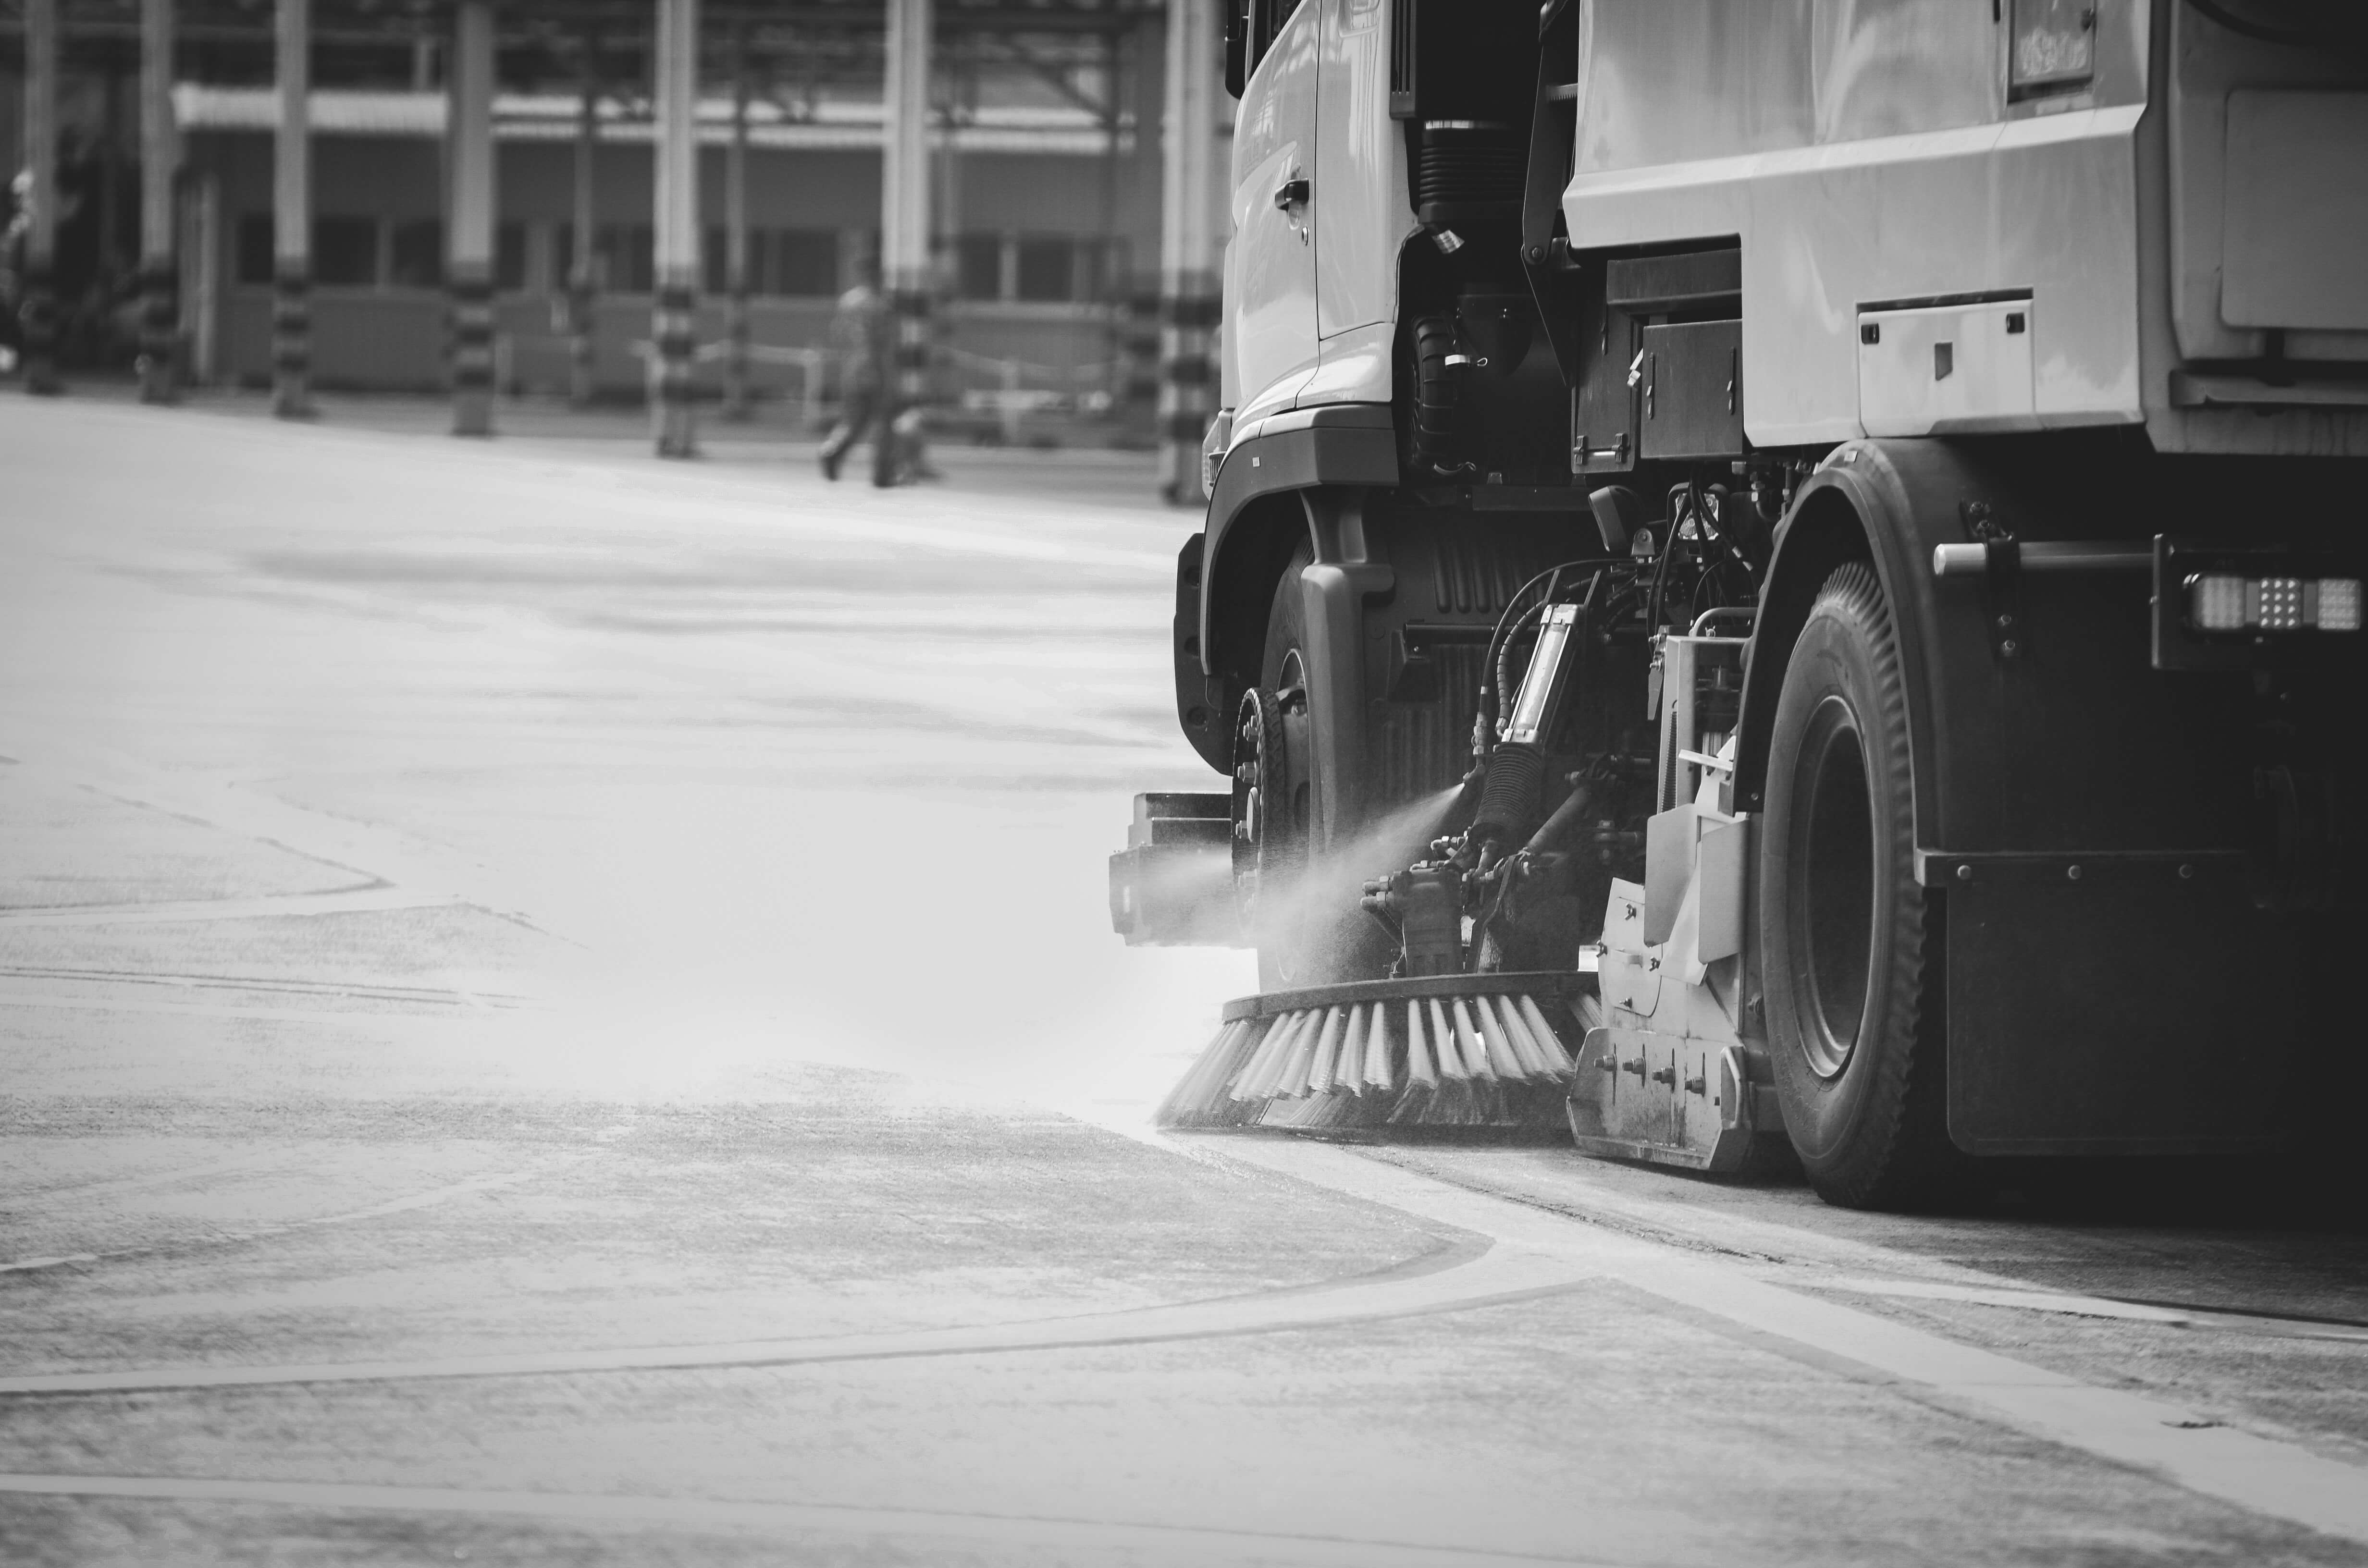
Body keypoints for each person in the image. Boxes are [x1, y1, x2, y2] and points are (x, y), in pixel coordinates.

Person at [817, 272, 888, 481]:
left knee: (854, 417)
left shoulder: (849, 301)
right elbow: (881, 339)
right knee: (883, 417)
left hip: (851, 366)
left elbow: (837, 333)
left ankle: (832, 448)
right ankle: (882, 469)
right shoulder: (880, 304)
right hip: (874, 367)